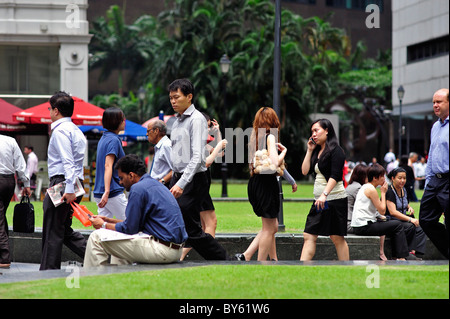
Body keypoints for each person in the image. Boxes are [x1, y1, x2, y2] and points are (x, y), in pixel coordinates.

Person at [84, 155, 188, 267]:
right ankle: (119, 278)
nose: (120, 182)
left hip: (162, 249)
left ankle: (95, 277)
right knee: (118, 236)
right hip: (175, 250)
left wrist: (103, 225)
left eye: (121, 178)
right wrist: (108, 220)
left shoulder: (138, 189)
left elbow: (130, 229)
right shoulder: (156, 185)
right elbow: (135, 224)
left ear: (131, 175)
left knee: (96, 237)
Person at [168, 78, 229, 260]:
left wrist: (182, 183)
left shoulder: (196, 120)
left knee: (192, 227)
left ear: (189, 97)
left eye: (176, 97)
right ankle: (173, 254)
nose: (173, 101)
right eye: (171, 97)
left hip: (193, 179)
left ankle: (222, 258)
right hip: (179, 177)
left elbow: (197, 157)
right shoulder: (177, 120)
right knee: (179, 220)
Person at [40, 92, 87, 270]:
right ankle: (97, 254)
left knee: (52, 229)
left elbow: (68, 162)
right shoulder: (76, 130)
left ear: (56, 111)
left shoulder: (60, 131)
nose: (49, 112)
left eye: (50, 108)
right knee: (62, 229)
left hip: (64, 183)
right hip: (74, 182)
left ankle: (48, 271)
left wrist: (68, 189)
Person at [300, 119, 349, 261]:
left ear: (327, 130)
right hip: (320, 201)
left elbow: (335, 176)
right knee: (309, 234)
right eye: (312, 132)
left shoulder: (336, 150)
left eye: (317, 130)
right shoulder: (317, 151)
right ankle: (302, 266)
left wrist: (324, 194)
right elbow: (304, 171)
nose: (313, 134)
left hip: (334, 199)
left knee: (336, 237)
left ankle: (346, 266)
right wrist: (309, 150)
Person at [351, 164, 413, 260]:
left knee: (390, 223)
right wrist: (383, 193)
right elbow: (382, 210)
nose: (384, 179)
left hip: (360, 225)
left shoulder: (365, 187)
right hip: (364, 226)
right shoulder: (371, 190)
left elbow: (372, 210)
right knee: (397, 225)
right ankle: (401, 257)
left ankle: (395, 254)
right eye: (382, 176)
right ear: (375, 178)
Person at [419, 88, 449, 259]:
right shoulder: (435, 126)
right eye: (434, 102)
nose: (435, 105)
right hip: (435, 181)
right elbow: (431, 155)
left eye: (439, 102)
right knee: (425, 219)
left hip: (448, 179)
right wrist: (428, 181)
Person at [0, 134, 30, 269]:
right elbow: (20, 164)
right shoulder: (10, 140)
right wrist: (26, 183)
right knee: (1, 215)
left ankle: (4, 256)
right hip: (8, 182)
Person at [346, 164, 387, 260]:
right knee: (385, 224)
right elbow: (363, 207)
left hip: (350, 221)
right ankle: (381, 252)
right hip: (351, 223)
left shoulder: (353, 185)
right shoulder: (360, 188)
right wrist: (379, 215)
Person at [93, 107, 128, 220]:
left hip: (100, 192)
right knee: (130, 223)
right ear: (116, 122)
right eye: (123, 119)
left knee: (103, 228)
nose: (124, 121)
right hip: (111, 192)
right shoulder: (113, 140)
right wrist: (107, 191)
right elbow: (108, 165)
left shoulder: (104, 138)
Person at [386, 167, 426, 259]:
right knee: (410, 226)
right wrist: (410, 219)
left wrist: (409, 207)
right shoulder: (390, 191)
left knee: (421, 227)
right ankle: (408, 252)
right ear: (393, 178)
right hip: (392, 220)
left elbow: (404, 202)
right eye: (399, 178)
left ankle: (418, 253)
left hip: (402, 219)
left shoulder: (404, 190)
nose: (402, 180)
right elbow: (393, 212)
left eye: (404, 178)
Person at [147, 120, 173, 188]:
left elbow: (175, 169)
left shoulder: (166, 146)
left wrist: (161, 182)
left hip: (163, 186)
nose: (147, 134)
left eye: (148, 131)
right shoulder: (160, 146)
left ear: (156, 131)